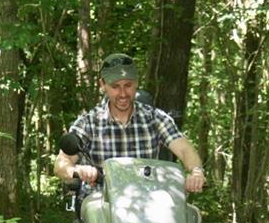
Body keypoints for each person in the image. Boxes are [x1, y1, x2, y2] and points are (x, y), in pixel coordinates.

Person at [54, 53, 205, 195]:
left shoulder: (155, 118)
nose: (123, 94)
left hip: (146, 202)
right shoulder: (89, 122)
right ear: (103, 84)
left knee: (189, 216)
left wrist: (196, 172)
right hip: (101, 203)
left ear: (136, 83)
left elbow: (185, 149)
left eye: (128, 85)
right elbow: (61, 163)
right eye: (115, 87)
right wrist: (79, 170)